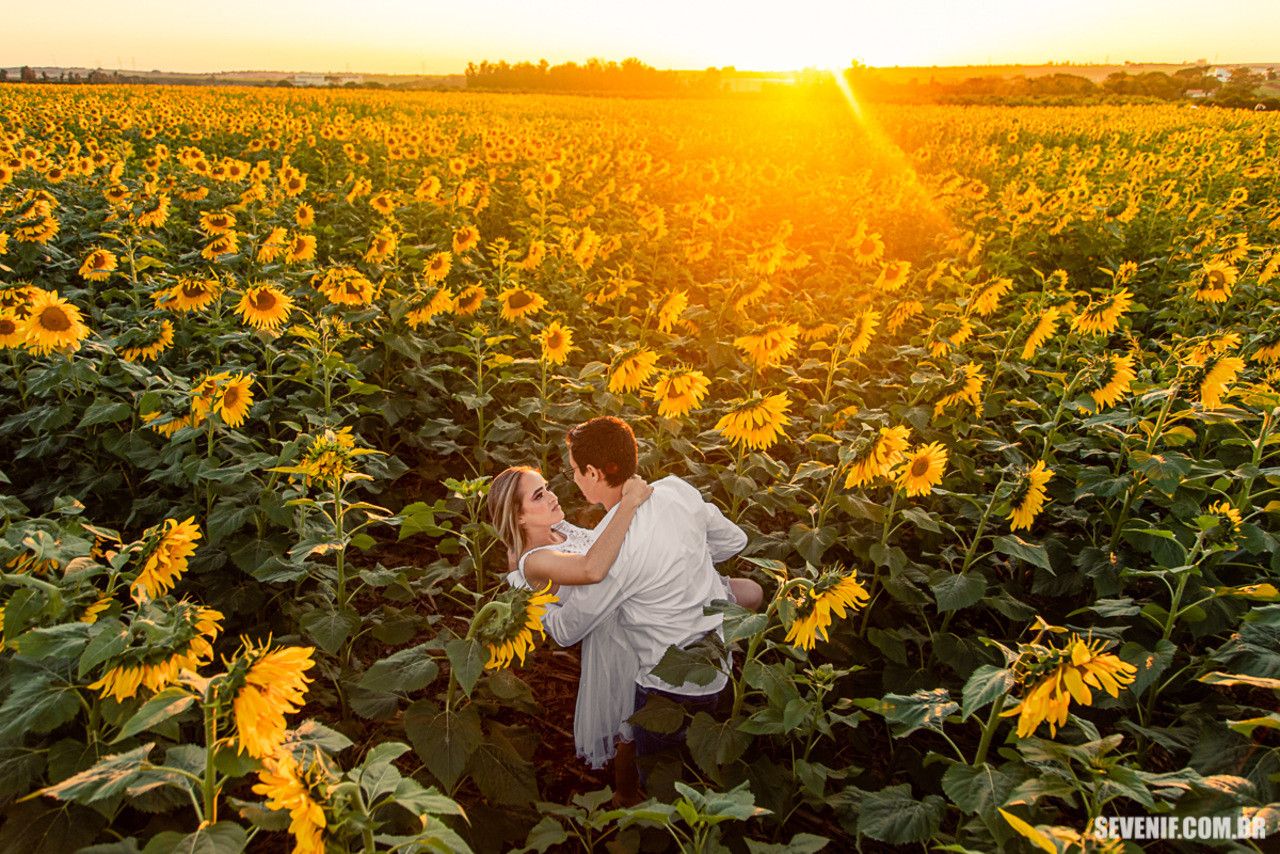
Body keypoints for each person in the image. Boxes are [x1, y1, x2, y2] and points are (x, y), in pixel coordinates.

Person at [539, 416, 759, 788]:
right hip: (717, 667)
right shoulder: (676, 490)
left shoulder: (610, 551)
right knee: (702, 775)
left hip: (665, 686)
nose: (574, 478)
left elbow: (568, 630)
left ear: (593, 473)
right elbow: (734, 541)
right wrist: (685, 566)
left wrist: (534, 605)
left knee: (658, 781)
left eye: (576, 470)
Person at [487, 465, 654, 801]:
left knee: (747, 594)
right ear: (519, 517)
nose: (552, 496)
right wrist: (629, 504)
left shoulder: (556, 528)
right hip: (617, 634)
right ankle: (627, 800)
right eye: (538, 496)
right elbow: (592, 567)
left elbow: (601, 544)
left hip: (634, 602)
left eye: (546, 488)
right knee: (632, 723)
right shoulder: (535, 561)